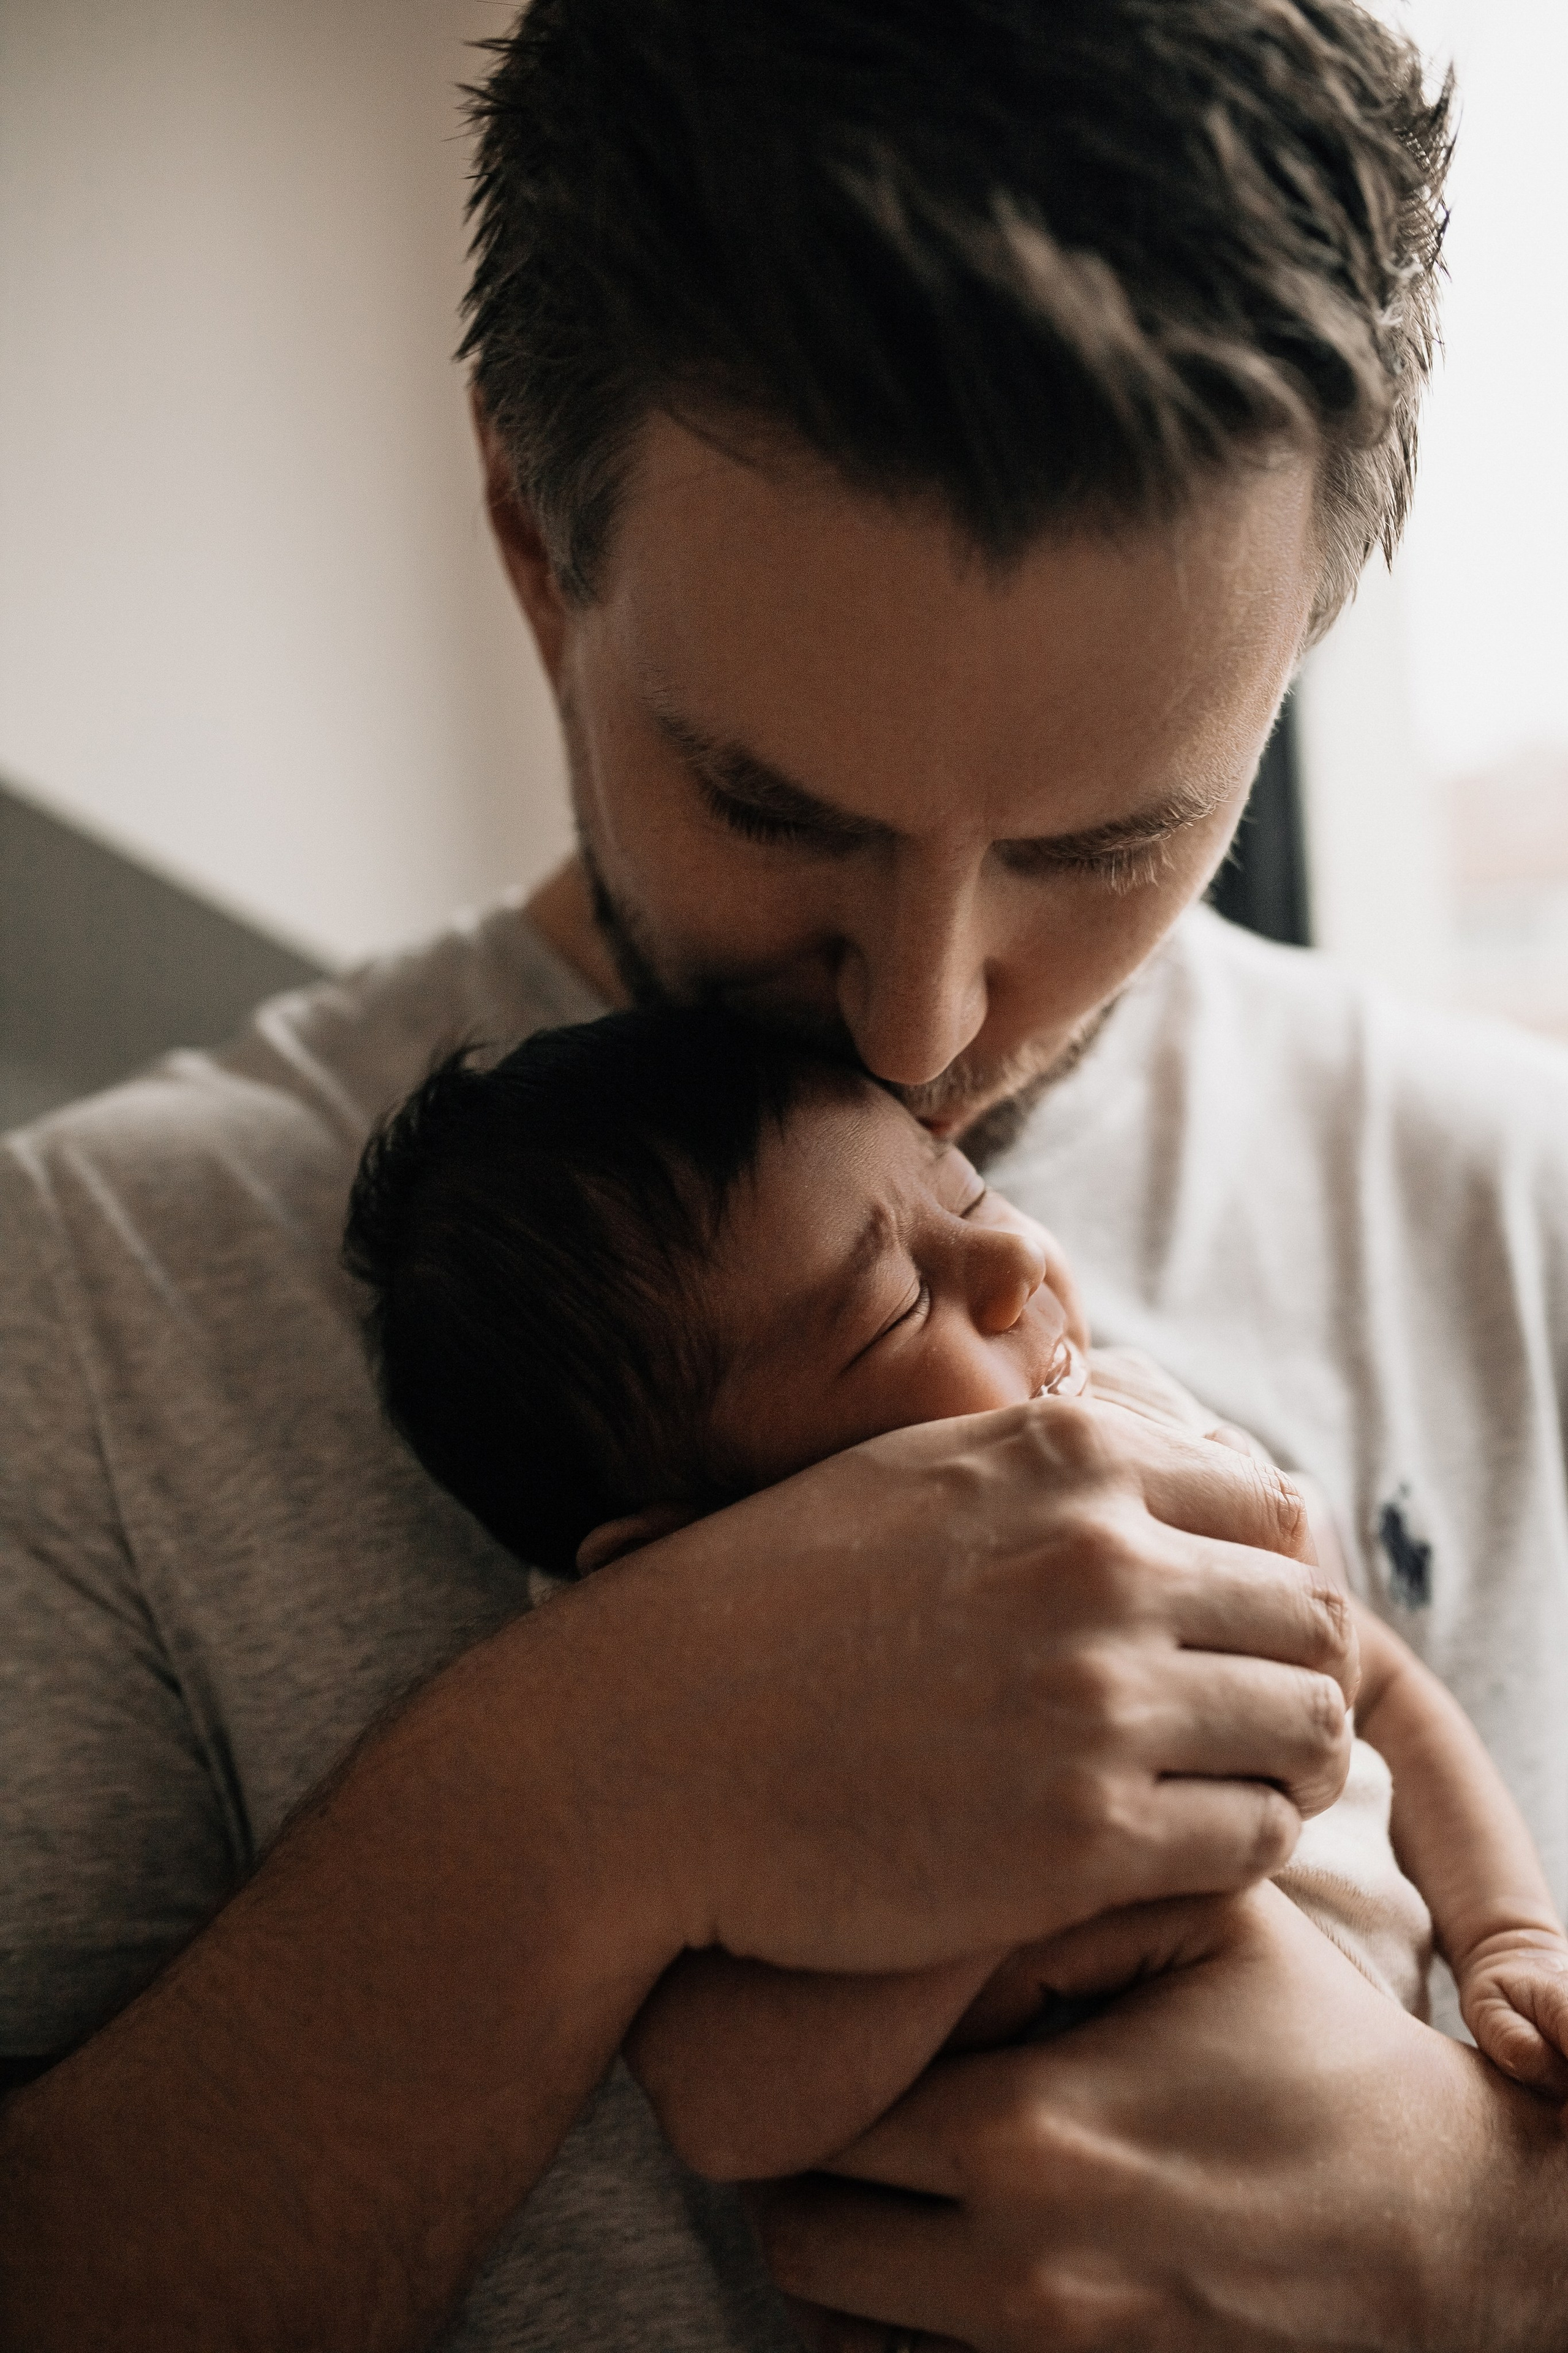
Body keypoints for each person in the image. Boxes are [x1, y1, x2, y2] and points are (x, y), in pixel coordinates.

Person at [3, 2, 1567, 2348]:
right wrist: (591, 1789)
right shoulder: (91, 1304)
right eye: (780, 809)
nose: (928, 1021)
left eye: (1106, 839)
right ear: (541, 554)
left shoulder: (1519, 1210)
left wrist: (1496, 2247)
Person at [341, 1002, 1568, 2183]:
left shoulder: (1148, 1428)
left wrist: (1508, 1934)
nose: (1012, 1257)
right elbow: (724, 2111)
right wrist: (993, 1873)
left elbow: (1385, 1684)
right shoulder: (748, 1747)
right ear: (694, 1557)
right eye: (890, 1310)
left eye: (963, 1189)